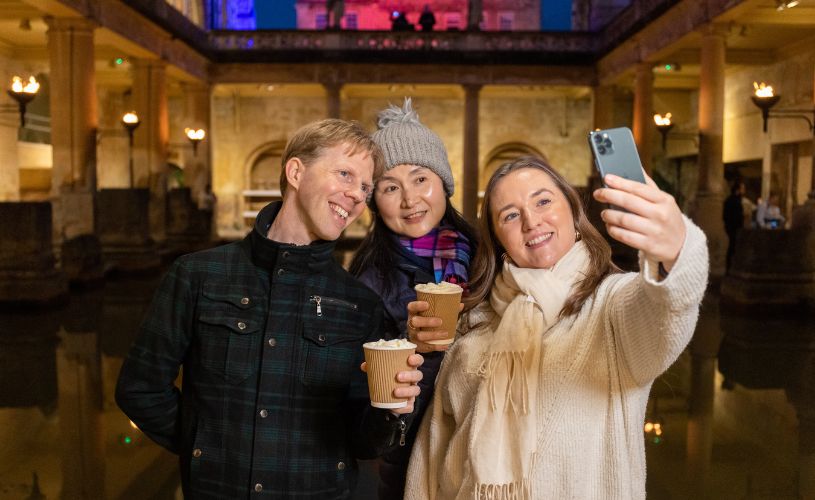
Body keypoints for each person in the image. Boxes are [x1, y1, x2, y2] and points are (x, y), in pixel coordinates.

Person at [115, 119, 425, 498]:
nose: (357, 196)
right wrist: (205, 448)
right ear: (296, 172)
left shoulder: (360, 303)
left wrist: (391, 409)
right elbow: (140, 388)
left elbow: (363, 443)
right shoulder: (197, 275)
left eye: (365, 187)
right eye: (345, 174)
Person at [405, 156, 709, 499]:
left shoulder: (611, 305)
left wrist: (676, 253)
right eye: (510, 215)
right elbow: (432, 453)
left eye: (543, 201)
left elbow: (666, 312)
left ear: (573, 212)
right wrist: (423, 355)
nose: (531, 221)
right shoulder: (474, 323)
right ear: (498, 239)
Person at [349, 98, 477, 499]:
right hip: (414, 459)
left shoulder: (487, 255)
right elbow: (361, 403)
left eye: (421, 179)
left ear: (444, 183)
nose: (409, 199)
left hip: (492, 452)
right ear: (374, 201)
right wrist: (409, 348)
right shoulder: (369, 279)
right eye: (390, 187)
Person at [723, 181, 746, 271]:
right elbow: (734, 216)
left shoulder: (730, 200)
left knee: (733, 247)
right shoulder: (734, 201)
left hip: (731, 227)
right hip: (734, 228)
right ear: (738, 190)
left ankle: (730, 268)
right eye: (742, 188)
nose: (744, 191)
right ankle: (731, 268)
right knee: (733, 248)